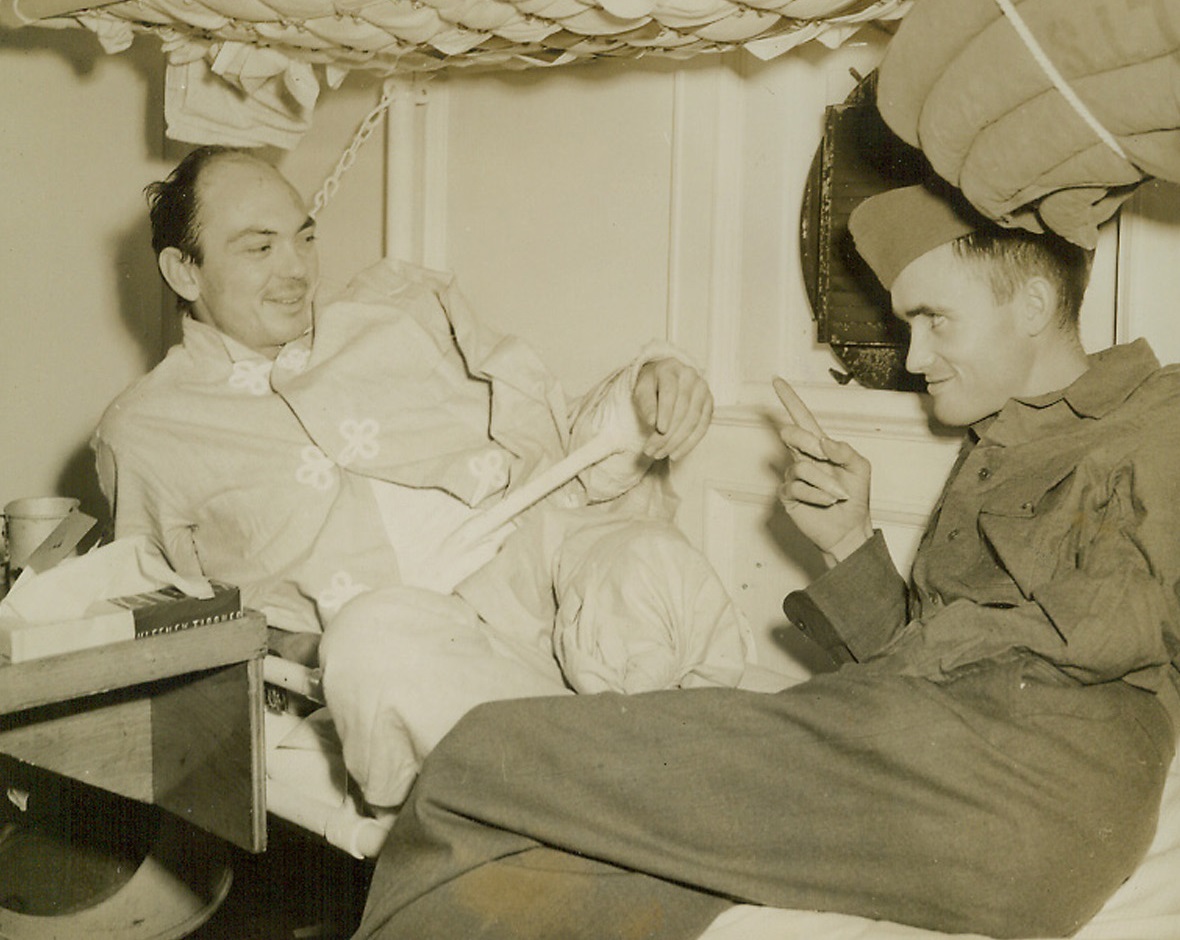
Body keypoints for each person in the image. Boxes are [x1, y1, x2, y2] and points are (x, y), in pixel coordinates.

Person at [347, 181, 1180, 940]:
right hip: (955, 781)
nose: (917, 358)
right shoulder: (999, 442)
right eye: (906, 326)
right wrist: (849, 542)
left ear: (1034, 303)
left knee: (480, 756)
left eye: (934, 320)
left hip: (1031, 781)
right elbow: (932, 670)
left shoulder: (1159, 415)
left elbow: (1113, 627)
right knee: (547, 881)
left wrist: (916, 662)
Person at [92, 145, 753, 808]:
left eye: (306, 237)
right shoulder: (147, 429)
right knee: (373, 646)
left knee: (650, 557)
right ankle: (640, 792)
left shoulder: (394, 316)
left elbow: (555, 438)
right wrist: (288, 639)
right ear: (184, 271)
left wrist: (651, 387)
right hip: (430, 644)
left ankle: (674, 771)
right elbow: (159, 609)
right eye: (259, 248)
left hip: (544, 569)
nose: (297, 269)